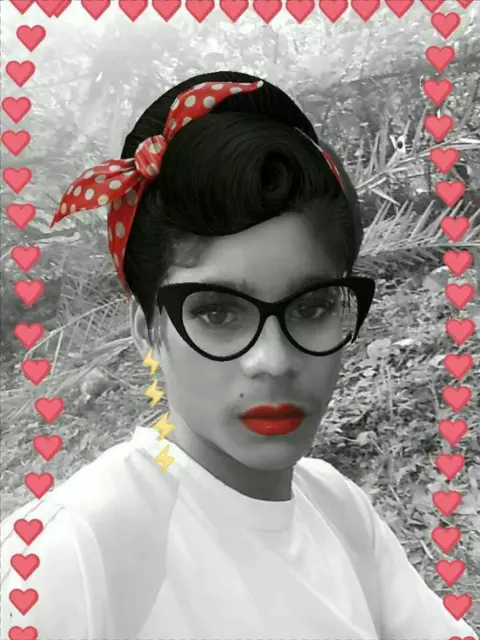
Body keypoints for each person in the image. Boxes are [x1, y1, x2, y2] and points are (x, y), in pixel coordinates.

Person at [1, 71, 477, 640]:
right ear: (147, 329)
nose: (273, 361)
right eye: (217, 313)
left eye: (312, 307)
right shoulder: (69, 555)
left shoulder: (339, 508)